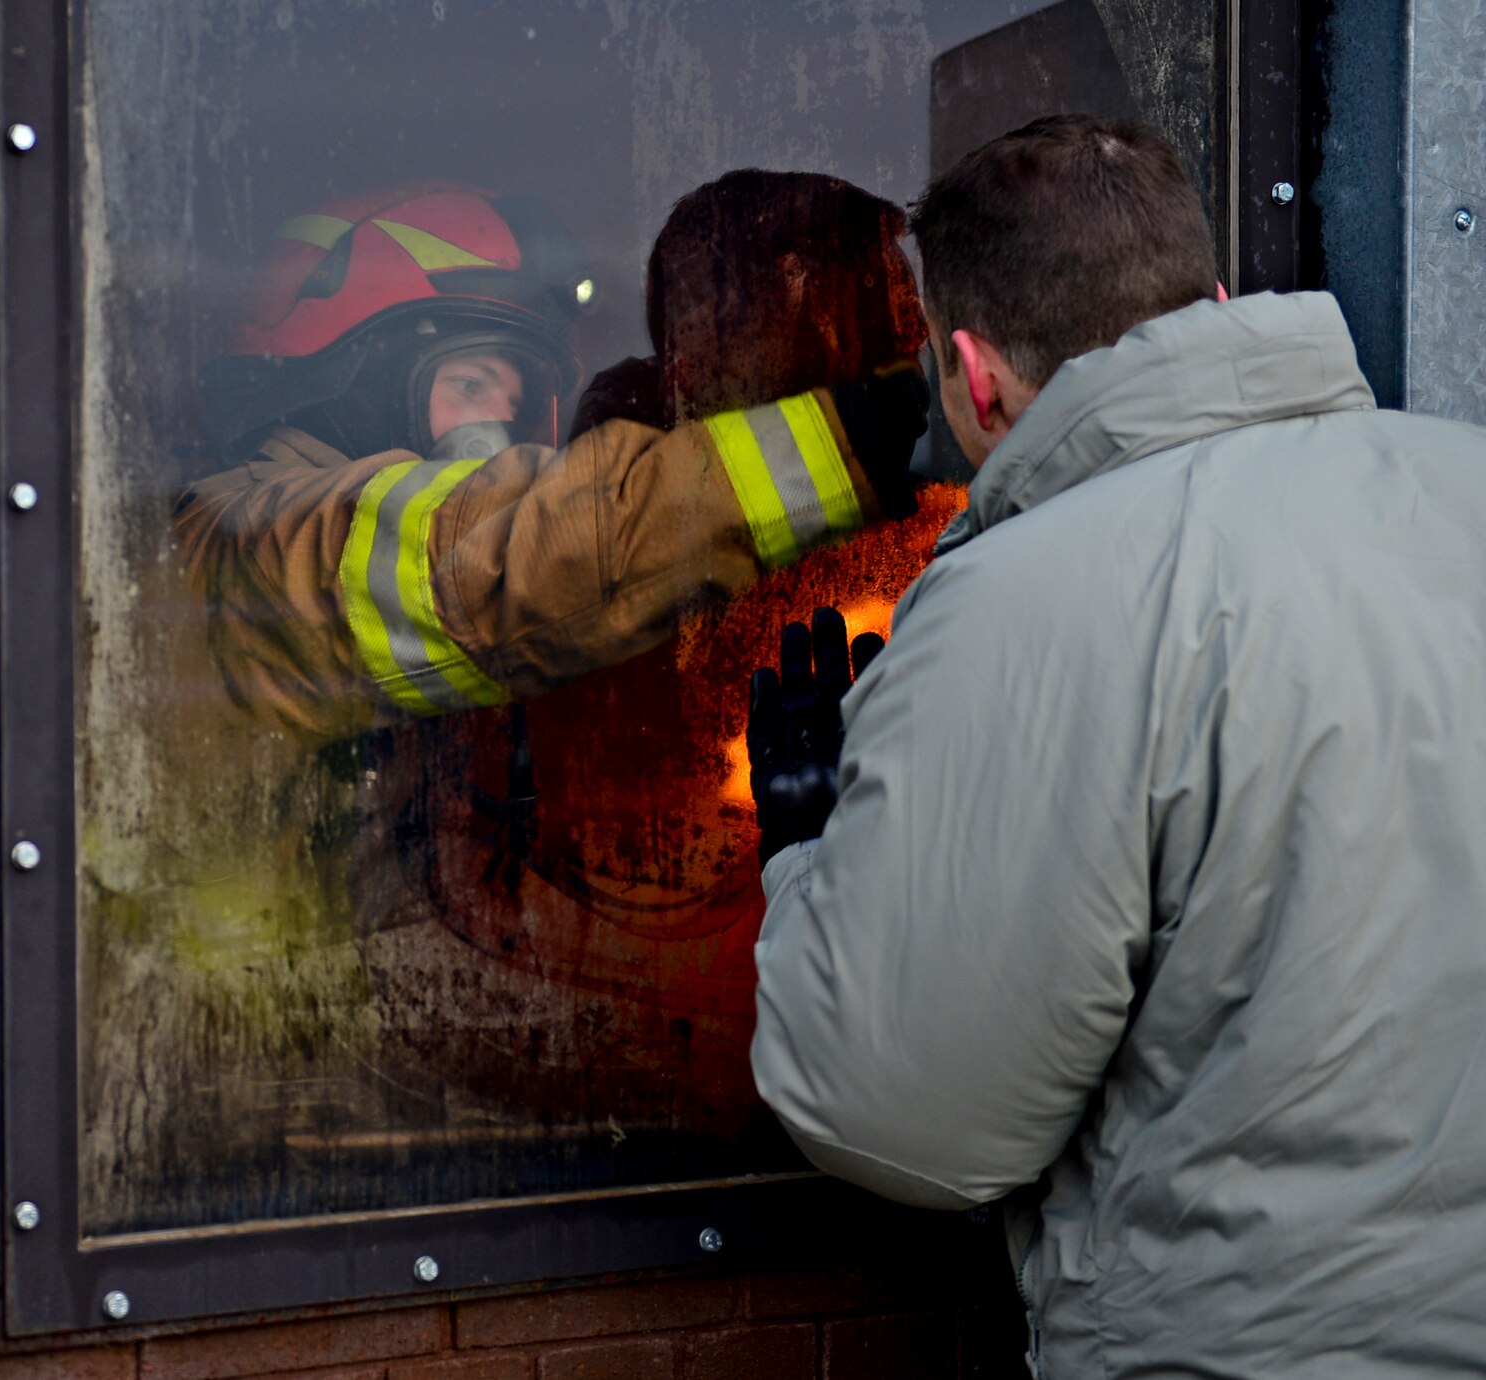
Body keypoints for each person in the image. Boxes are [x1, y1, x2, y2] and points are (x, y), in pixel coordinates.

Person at [746, 114, 1486, 1376]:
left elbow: (905, 1121)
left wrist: (812, 867)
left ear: (970, 375)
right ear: (1209, 300)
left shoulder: (1024, 601)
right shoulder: (1460, 480)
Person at [176, 180, 932, 745]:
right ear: (347, 383)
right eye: (470, 384)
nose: (502, 422)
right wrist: (870, 433)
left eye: (521, 393)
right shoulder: (245, 544)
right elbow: (509, 560)